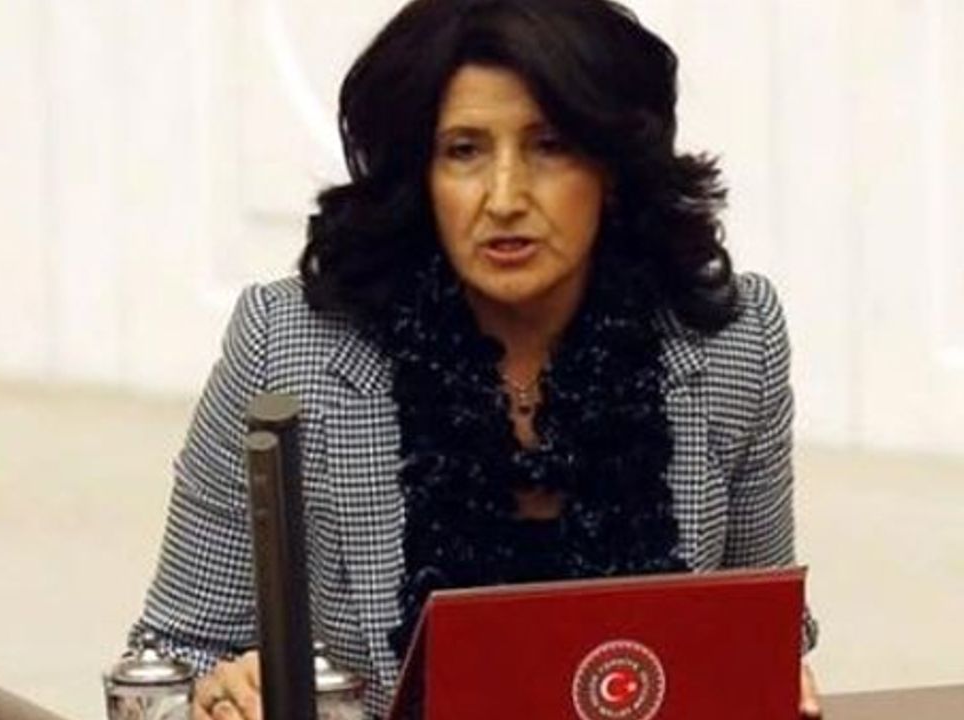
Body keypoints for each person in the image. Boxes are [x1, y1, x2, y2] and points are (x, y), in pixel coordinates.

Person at [129, 0, 820, 717]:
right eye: (464, 150)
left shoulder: (732, 342)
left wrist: (769, 679)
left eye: (549, 146)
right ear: (420, 172)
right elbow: (173, 657)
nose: (504, 197)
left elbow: (761, 635)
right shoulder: (287, 346)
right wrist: (217, 696)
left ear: (612, 165)